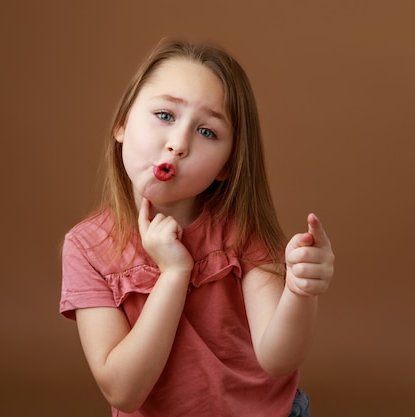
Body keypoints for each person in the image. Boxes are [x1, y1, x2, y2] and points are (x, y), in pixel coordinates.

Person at [59, 38, 335, 417]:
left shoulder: (241, 231)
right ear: (121, 123)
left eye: (207, 132)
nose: (178, 144)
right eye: (165, 115)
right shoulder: (88, 247)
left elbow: (277, 358)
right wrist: (174, 273)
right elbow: (123, 390)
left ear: (226, 166)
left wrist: (301, 291)